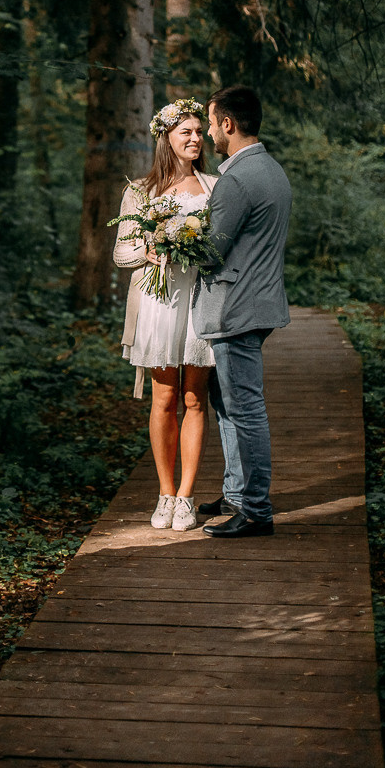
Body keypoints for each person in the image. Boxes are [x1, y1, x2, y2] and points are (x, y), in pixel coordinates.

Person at [192, 85, 292, 539]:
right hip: (260, 301)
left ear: (228, 124)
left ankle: (255, 510)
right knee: (228, 404)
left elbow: (212, 251)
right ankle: (236, 492)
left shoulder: (235, 179)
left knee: (244, 409)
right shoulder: (271, 170)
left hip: (236, 309)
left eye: (211, 123)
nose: (210, 132)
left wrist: (176, 236)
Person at [113, 98, 218, 532]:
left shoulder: (215, 187)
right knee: (164, 399)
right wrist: (149, 248)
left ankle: (188, 498)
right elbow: (120, 254)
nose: (196, 139)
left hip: (201, 301)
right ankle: (164, 493)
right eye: (186, 133)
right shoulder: (140, 191)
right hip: (158, 303)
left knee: (195, 398)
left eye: (199, 131)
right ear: (166, 139)